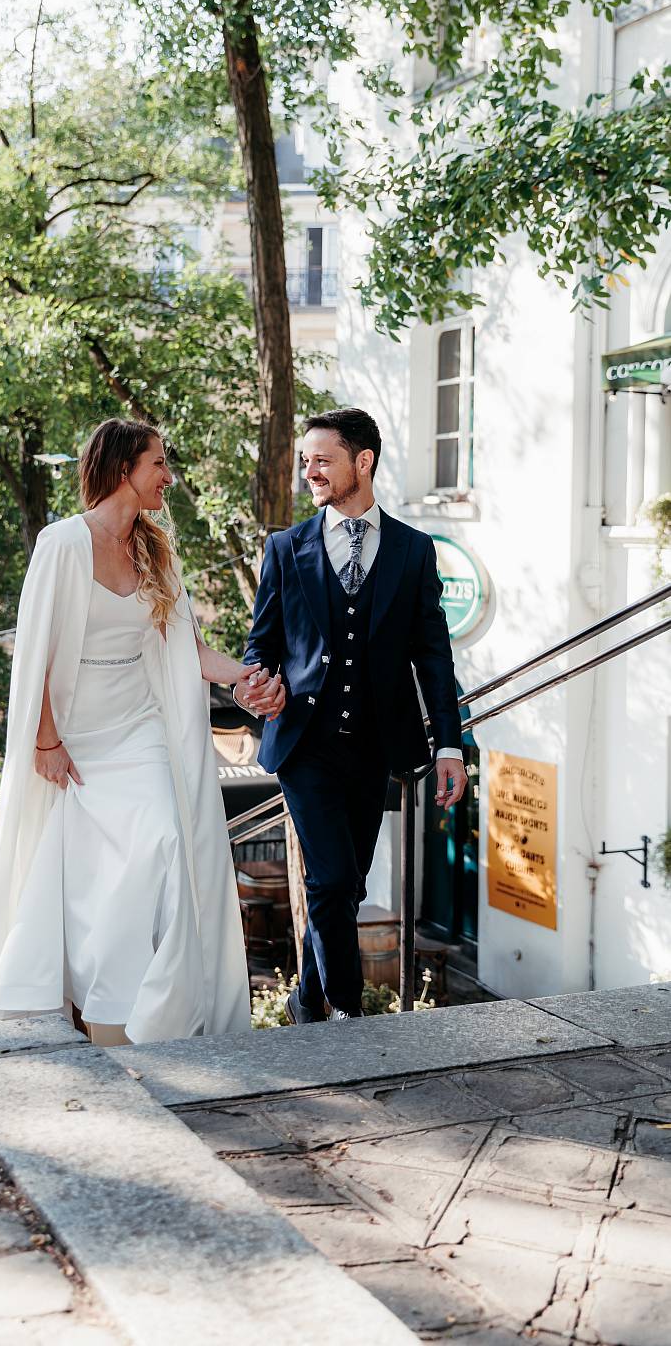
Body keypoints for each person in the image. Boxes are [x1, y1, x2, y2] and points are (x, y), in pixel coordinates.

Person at [0, 418, 284, 1045]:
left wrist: (246, 677)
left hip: (140, 731)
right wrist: (45, 741)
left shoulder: (156, 551)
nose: (169, 476)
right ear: (122, 468)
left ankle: (157, 1018)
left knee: (166, 843)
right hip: (76, 738)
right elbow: (37, 654)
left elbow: (185, 647)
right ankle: (105, 1016)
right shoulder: (62, 543)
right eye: (158, 463)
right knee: (96, 887)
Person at [240, 408, 467, 1023]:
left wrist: (449, 746)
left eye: (323, 460)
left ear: (362, 462)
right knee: (334, 880)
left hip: (374, 748)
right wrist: (255, 685)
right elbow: (261, 646)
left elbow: (433, 655)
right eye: (305, 460)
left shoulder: (413, 551)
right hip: (304, 745)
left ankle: (305, 1001)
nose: (309, 472)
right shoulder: (285, 548)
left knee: (345, 885)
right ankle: (346, 1014)